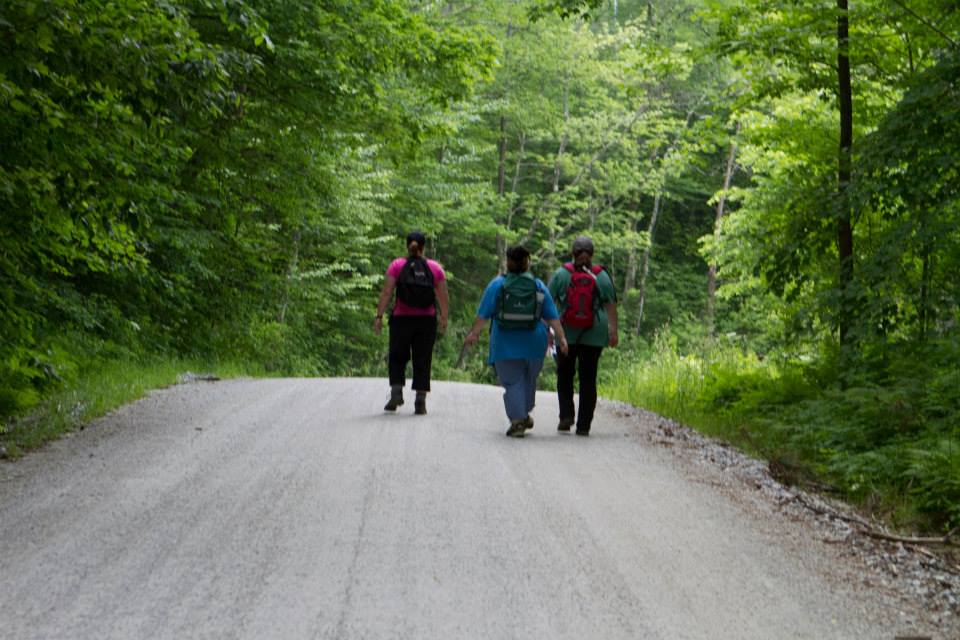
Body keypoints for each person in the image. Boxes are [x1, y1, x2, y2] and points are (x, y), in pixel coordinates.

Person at [464, 245, 568, 438]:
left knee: (513, 382)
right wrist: (562, 338)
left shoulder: (497, 285)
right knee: (529, 379)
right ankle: (523, 412)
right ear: (527, 263)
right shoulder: (538, 285)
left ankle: (518, 420)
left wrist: (473, 334)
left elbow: (483, 314)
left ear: (508, 262)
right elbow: (552, 316)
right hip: (534, 342)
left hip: (505, 342)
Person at [547, 235, 619, 436]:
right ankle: (584, 425)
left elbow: (547, 301)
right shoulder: (601, 276)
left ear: (573, 253)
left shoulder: (562, 274)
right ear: (592, 254)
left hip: (566, 334)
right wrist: (613, 331)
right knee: (588, 378)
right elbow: (611, 305)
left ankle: (566, 416)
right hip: (594, 334)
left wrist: (548, 330)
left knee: (565, 375)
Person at [374, 230, 449, 415]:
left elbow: (387, 292)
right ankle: (420, 401)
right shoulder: (435, 268)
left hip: (401, 319)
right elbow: (443, 295)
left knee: (397, 355)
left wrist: (379, 316)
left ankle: (397, 392)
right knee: (423, 358)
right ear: (424, 247)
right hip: (426, 320)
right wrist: (444, 316)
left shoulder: (397, 265)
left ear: (407, 245)